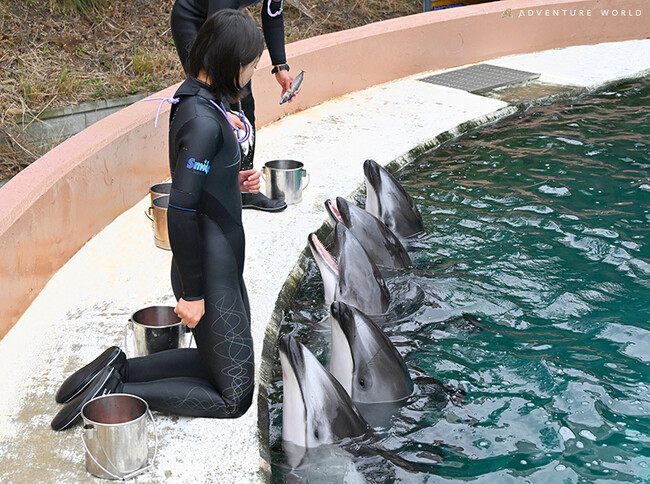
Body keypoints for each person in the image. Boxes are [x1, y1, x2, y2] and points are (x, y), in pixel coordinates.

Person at [51, 10, 264, 430]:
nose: (251, 73)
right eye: (251, 66)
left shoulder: (196, 99)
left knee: (220, 363)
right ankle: (115, 390)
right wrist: (193, 294)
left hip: (219, 257)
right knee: (234, 396)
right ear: (229, 63)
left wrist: (229, 181)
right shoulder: (204, 120)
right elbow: (181, 207)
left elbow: (197, 185)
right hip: (208, 269)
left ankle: (121, 368)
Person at [171, 0, 295, 212]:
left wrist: (280, 66)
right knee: (212, 95)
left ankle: (245, 187)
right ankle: (217, 186)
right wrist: (222, 110)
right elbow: (218, 34)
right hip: (194, 20)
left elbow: (272, 14)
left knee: (244, 100)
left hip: (226, 20)